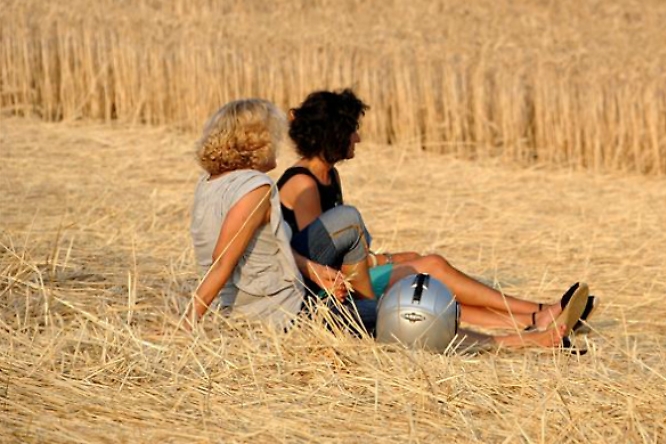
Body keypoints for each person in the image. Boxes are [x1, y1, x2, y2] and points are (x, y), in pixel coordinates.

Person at [188, 98, 573, 350]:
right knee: (412, 317)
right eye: (271, 136)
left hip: (276, 300)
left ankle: (534, 327)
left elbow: (270, 246)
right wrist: (188, 323)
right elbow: (224, 261)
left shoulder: (212, 184)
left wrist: (313, 267)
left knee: (400, 276)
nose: (278, 142)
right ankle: (530, 340)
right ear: (255, 141)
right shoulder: (257, 187)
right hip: (284, 315)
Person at [279, 89, 592, 338]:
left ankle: (534, 317)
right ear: (335, 135)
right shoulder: (303, 184)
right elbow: (323, 264)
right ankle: (534, 316)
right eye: (352, 130)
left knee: (430, 268)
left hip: (345, 276)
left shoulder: (328, 176)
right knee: (427, 276)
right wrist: (390, 259)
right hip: (325, 294)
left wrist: (390, 258)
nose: (357, 138)